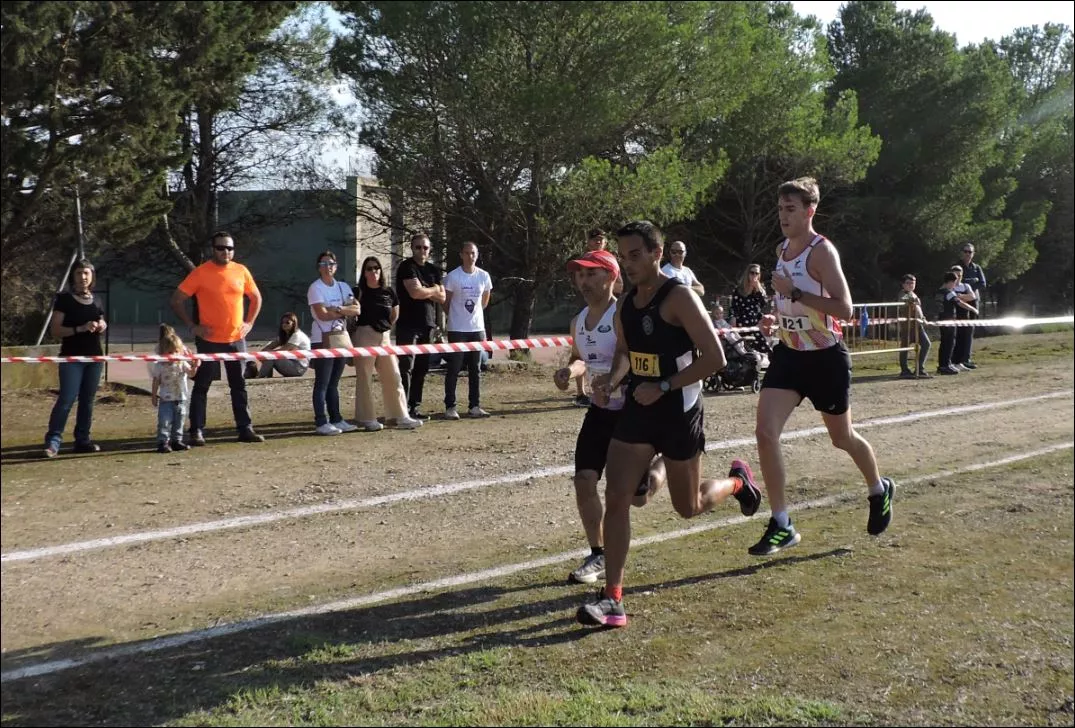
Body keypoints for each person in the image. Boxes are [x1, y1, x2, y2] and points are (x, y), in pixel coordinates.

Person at [576, 220, 761, 628]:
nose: (628, 265)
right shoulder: (626, 303)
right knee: (618, 496)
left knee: (687, 507)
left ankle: (737, 482)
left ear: (657, 254)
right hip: (639, 408)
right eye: (623, 257)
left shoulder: (679, 297)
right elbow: (625, 352)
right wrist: (612, 380)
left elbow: (715, 358)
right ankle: (613, 598)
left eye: (635, 255)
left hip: (679, 411)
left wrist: (663, 385)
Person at [750, 177, 895, 558]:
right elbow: (786, 300)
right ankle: (781, 523)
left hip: (825, 357)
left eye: (791, 209)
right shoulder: (781, 249)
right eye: (780, 209)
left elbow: (845, 309)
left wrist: (796, 293)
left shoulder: (822, 252)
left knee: (841, 438)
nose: (783, 216)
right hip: (789, 354)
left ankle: (878, 488)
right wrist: (774, 315)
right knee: (765, 433)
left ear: (809, 211)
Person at [553, 249, 669, 585]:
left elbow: (633, 356)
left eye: (591, 274)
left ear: (611, 277)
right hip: (600, 410)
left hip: (630, 411)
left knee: (638, 498)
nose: (583, 281)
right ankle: (598, 553)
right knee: (584, 480)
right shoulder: (578, 320)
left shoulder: (624, 313)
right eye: (579, 275)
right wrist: (568, 371)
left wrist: (613, 381)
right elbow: (581, 358)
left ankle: (666, 461)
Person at [170, 231, 265, 445]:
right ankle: (196, 430)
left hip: (236, 340)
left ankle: (245, 429)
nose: (226, 252)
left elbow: (256, 297)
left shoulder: (241, 271)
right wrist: (192, 326)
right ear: (213, 250)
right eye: (221, 248)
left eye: (230, 248)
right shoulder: (200, 273)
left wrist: (249, 323)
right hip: (209, 340)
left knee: (239, 385)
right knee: (202, 385)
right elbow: (176, 300)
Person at [43, 259, 108, 458]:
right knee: (67, 398)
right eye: (79, 273)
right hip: (71, 358)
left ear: (92, 276)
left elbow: (102, 320)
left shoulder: (97, 299)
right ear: (73, 276)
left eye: (86, 273)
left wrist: (102, 325)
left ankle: (82, 440)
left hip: (94, 357)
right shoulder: (64, 299)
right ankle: (53, 441)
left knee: (88, 400)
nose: (83, 277)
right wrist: (80, 328)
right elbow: (55, 330)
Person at [352, 255, 423, 431]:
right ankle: (366, 418)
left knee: (394, 376)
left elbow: (394, 313)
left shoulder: (389, 292)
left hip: (384, 336)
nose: (373, 271)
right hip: (364, 335)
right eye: (369, 268)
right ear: (364, 272)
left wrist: (386, 328)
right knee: (364, 378)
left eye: (376, 268)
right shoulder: (358, 291)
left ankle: (399, 415)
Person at [307, 250, 361, 435]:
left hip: (340, 338)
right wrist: (343, 310)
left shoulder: (343, 287)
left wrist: (337, 309)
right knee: (322, 382)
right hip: (321, 339)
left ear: (336, 266)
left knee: (334, 382)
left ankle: (336, 418)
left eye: (331, 263)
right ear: (319, 267)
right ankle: (321, 421)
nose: (327, 267)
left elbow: (356, 309)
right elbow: (322, 314)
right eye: (324, 264)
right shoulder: (315, 288)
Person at [395, 233, 446, 421]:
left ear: (429, 249)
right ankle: (402, 409)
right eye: (418, 247)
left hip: (428, 324)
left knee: (422, 368)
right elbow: (415, 293)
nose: (422, 251)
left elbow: (442, 297)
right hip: (407, 324)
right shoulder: (406, 267)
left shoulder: (433, 270)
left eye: (425, 247)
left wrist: (427, 290)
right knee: (406, 367)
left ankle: (414, 407)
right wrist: (433, 289)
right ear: (412, 248)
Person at [442, 241, 493, 419]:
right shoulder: (453, 277)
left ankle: (474, 406)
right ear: (461, 255)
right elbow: (446, 302)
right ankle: (450, 406)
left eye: (473, 253)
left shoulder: (484, 276)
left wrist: (474, 318)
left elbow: (484, 301)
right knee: (454, 368)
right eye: (467, 253)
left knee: (475, 369)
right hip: (457, 329)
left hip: (477, 329)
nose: (470, 256)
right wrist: (455, 316)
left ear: (477, 255)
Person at [148, 324, 198, 453]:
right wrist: (154, 396)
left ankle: (177, 440)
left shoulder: (182, 363)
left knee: (179, 420)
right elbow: (156, 381)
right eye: (170, 352)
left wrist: (195, 366)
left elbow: (191, 374)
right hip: (166, 398)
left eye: (176, 351)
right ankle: (163, 441)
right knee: (164, 421)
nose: (173, 355)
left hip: (181, 397)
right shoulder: (160, 366)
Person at [935, 271, 978, 375]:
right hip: (949, 320)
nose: (955, 285)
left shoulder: (938, 292)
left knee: (944, 343)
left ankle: (943, 365)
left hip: (941, 319)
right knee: (949, 343)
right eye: (954, 283)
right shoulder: (948, 293)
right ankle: (946, 365)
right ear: (950, 282)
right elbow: (959, 303)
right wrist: (973, 309)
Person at [246, 312, 310, 379]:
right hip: (289, 362)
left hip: (299, 368)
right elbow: (266, 349)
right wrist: (265, 352)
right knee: (268, 355)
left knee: (271, 356)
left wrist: (268, 352)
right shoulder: (284, 335)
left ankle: (260, 376)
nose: (284, 324)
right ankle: (264, 374)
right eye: (282, 322)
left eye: (287, 322)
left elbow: (283, 351)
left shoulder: (297, 335)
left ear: (294, 323)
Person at [954, 244, 986, 368]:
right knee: (960, 330)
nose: (968, 254)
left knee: (969, 330)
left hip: (973, 301)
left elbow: (982, 283)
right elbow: (953, 283)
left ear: (973, 253)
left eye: (970, 252)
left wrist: (969, 288)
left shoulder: (977, 268)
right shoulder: (957, 267)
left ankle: (966, 358)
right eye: (965, 251)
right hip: (960, 302)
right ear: (962, 253)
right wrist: (967, 290)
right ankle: (956, 359)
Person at [729, 263, 771, 355]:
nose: (754, 275)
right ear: (747, 274)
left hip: (756, 323)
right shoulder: (739, 289)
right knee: (745, 349)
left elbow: (764, 304)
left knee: (765, 349)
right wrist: (733, 318)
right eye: (752, 273)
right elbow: (734, 306)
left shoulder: (760, 289)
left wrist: (758, 289)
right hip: (742, 322)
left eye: (757, 273)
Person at [896, 274, 931, 379]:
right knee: (905, 348)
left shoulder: (913, 294)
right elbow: (904, 300)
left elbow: (918, 309)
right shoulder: (903, 294)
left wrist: (923, 318)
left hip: (918, 325)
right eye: (908, 283)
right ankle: (904, 370)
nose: (911, 285)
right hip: (908, 326)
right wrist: (913, 299)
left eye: (913, 283)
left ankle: (919, 368)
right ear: (903, 284)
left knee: (926, 344)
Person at [949, 264, 978, 371]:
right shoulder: (949, 287)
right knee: (954, 339)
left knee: (964, 339)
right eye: (955, 276)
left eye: (960, 275)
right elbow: (954, 299)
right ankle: (952, 361)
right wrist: (964, 298)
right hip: (954, 316)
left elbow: (972, 296)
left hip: (965, 316)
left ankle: (962, 361)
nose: (957, 278)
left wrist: (960, 296)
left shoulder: (966, 286)